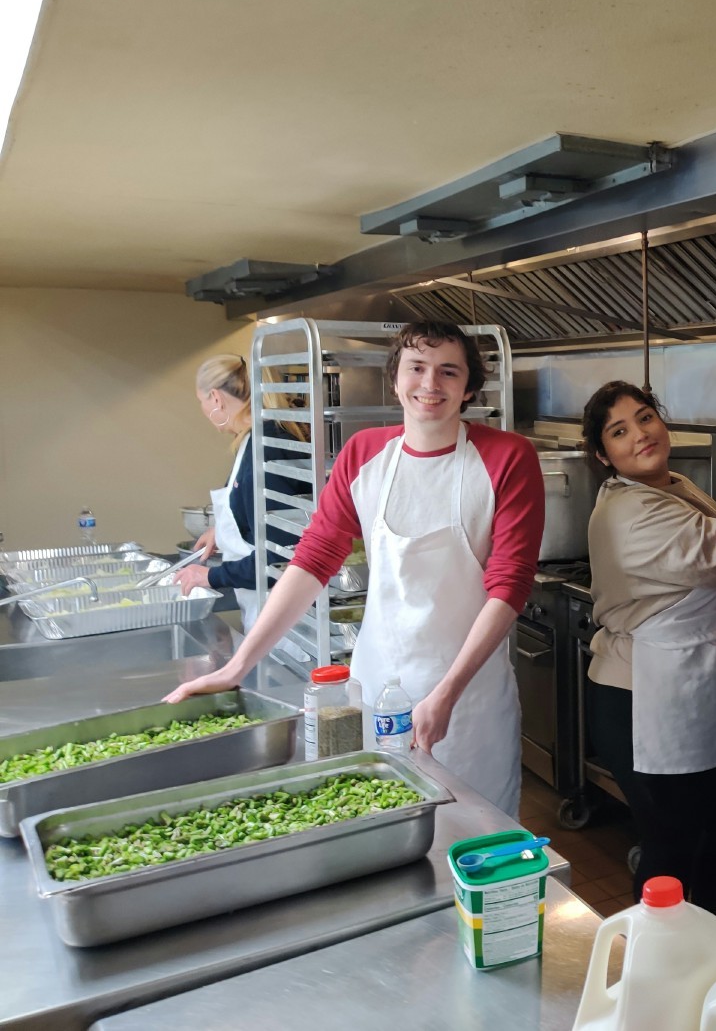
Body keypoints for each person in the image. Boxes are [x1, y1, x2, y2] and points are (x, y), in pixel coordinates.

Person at [168, 322, 545, 815]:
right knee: (388, 828)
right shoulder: (365, 453)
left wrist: (447, 692)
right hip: (377, 687)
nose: (430, 384)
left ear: (469, 387)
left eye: (448, 372)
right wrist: (239, 666)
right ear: (395, 380)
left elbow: (509, 585)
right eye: (417, 368)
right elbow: (314, 559)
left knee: (475, 833)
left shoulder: (506, 457)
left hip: (467, 699)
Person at [580, 380, 716, 918]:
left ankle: (710, 949)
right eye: (620, 431)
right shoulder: (626, 512)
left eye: (646, 417)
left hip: (691, 689)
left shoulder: (671, 484)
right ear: (603, 456)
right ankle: (655, 967)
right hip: (641, 699)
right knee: (672, 849)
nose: (641, 434)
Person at [173, 355, 309, 630]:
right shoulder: (257, 441)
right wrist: (220, 532)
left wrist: (211, 577)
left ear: (215, 399)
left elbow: (281, 558)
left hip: (287, 626)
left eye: (202, 401)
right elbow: (261, 519)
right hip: (267, 611)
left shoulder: (267, 449)